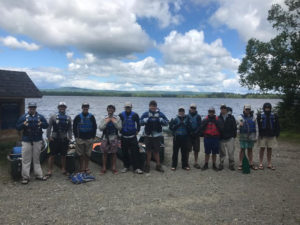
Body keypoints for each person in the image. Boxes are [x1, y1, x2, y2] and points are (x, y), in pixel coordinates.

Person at [16, 102, 49, 184]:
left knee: (37, 159)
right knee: (26, 159)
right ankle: (25, 177)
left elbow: (46, 125)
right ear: (28, 108)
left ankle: (39, 175)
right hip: (26, 140)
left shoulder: (40, 117)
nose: (32, 109)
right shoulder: (23, 117)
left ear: (35, 108)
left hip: (37, 140)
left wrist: (42, 123)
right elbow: (17, 127)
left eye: (33, 108)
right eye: (31, 108)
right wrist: (23, 124)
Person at [140, 100, 169, 173]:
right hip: (148, 135)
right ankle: (147, 166)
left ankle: (158, 166)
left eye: (154, 106)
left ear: (156, 107)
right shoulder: (145, 114)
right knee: (148, 151)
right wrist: (144, 121)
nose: (153, 107)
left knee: (157, 151)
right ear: (149, 106)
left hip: (157, 136)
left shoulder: (160, 114)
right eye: (151, 106)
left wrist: (162, 120)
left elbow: (166, 123)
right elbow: (140, 123)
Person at [46, 102, 72, 177]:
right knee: (52, 155)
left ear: (65, 108)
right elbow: (49, 127)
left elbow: (70, 128)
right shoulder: (53, 116)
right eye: (61, 107)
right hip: (54, 138)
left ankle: (63, 169)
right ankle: (50, 170)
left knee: (64, 155)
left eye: (63, 107)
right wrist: (48, 136)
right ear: (58, 108)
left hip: (64, 139)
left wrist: (70, 137)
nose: (62, 108)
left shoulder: (68, 118)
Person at [118, 102, 143, 174]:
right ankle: (126, 166)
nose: (127, 108)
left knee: (135, 152)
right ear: (124, 108)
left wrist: (137, 131)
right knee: (124, 152)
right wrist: (119, 132)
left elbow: (138, 124)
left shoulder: (135, 115)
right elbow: (118, 124)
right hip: (124, 137)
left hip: (132, 137)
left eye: (129, 107)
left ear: (131, 108)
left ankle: (137, 168)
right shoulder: (121, 115)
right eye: (126, 107)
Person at [73, 103, 97, 174]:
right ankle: (81, 168)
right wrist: (76, 137)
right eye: (84, 107)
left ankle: (86, 167)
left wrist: (93, 137)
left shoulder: (91, 116)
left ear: (88, 108)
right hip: (80, 138)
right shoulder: (78, 117)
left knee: (88, 154)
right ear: (82, 108)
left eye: (87, 107)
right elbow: (74, 127)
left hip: (89, 138)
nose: (85, 108)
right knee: (81, 154)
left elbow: (94, 127)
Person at [99, 104, 122, 175]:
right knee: (104, 153)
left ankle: (114, 167)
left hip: (114, 137)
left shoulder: (117, 118)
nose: (110, 110)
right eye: (109, 109)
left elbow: (120, 128)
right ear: (107, 110)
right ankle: (104, 167)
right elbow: (100, 128)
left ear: (114, 110)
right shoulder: (104, 117)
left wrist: (113, 121)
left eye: (112, 109)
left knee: (114, 153)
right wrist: (107, 121)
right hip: (105, 137)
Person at [257, 103, 280, 170]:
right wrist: (258, 134)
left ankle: (269, 163)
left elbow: (277, 125)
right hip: (263, 135)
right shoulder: (260, 116)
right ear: (264, 108)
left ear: (270, 108)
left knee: (270, 149)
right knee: (262, 149)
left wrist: (277, 133)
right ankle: (260, 162)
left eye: (268, 108)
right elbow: (257, 125)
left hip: (271, 135)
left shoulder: (274, 116)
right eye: (266, 108)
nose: (267, 109)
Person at [200, 107, 223, 171]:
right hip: (207, 137)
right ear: (208, 112)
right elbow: (201, 128)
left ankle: (214, 165)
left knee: (214, 152)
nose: (211, 113)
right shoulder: (205, 120)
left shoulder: (218, 120)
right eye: (210, 111)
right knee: (207, 152)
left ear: (214, 112)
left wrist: (216, 123)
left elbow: (221, 129)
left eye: (212, 111)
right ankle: (206, 164)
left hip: (215, 138)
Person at [169, 106, 190, 171]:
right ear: (178, 112)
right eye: (180, 111)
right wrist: (179, 124)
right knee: (175, 152)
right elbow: (171, 128)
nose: (181, 112)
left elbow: (190, 128)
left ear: (184, 112)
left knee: (184, 152)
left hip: (184, 137)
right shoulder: (175, 119)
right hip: (176, 137)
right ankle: (174, 165)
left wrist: (185, 124)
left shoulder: (187, 119)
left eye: (182, 111)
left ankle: (185, 165)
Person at [238, 104, 258, 170]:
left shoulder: (254, 117)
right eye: (246, 109)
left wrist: (256, 136)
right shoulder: (240, 117)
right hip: (243, 136)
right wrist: (239, 126)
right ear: (244, 109)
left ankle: (250, 163)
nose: (247, 110)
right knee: (242, 149)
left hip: (251, 136)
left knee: (250, 149)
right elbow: (236, 127)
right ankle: (240, 163)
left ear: (250, 109)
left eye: (249, 109)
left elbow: (256, 127)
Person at [218, 104, 237, 171]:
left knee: (231, 152)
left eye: (224, 108)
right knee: (222, 153)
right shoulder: (218, 118)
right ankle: (221, 164)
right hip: (221, 138)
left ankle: (231, 165)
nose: (223, 109)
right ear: (220, 109)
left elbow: (234, 127)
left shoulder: (231, 117)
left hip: (230, 138)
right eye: (222, 108)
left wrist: (234, 135)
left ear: (226, 109)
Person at [186, 103, 202, 169]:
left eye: (194, 108)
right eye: (192, 108)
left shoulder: (198, 116)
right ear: (190, 108)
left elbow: (199, 126)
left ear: (196, 109)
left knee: (196, 149)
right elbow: (186, 125)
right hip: (189, 135)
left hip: (196, 135)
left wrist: (195, 132)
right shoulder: (187, 116)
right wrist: (190, 132)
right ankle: (186, 162)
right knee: (187, 149)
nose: (193, 109)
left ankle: (196, 162)